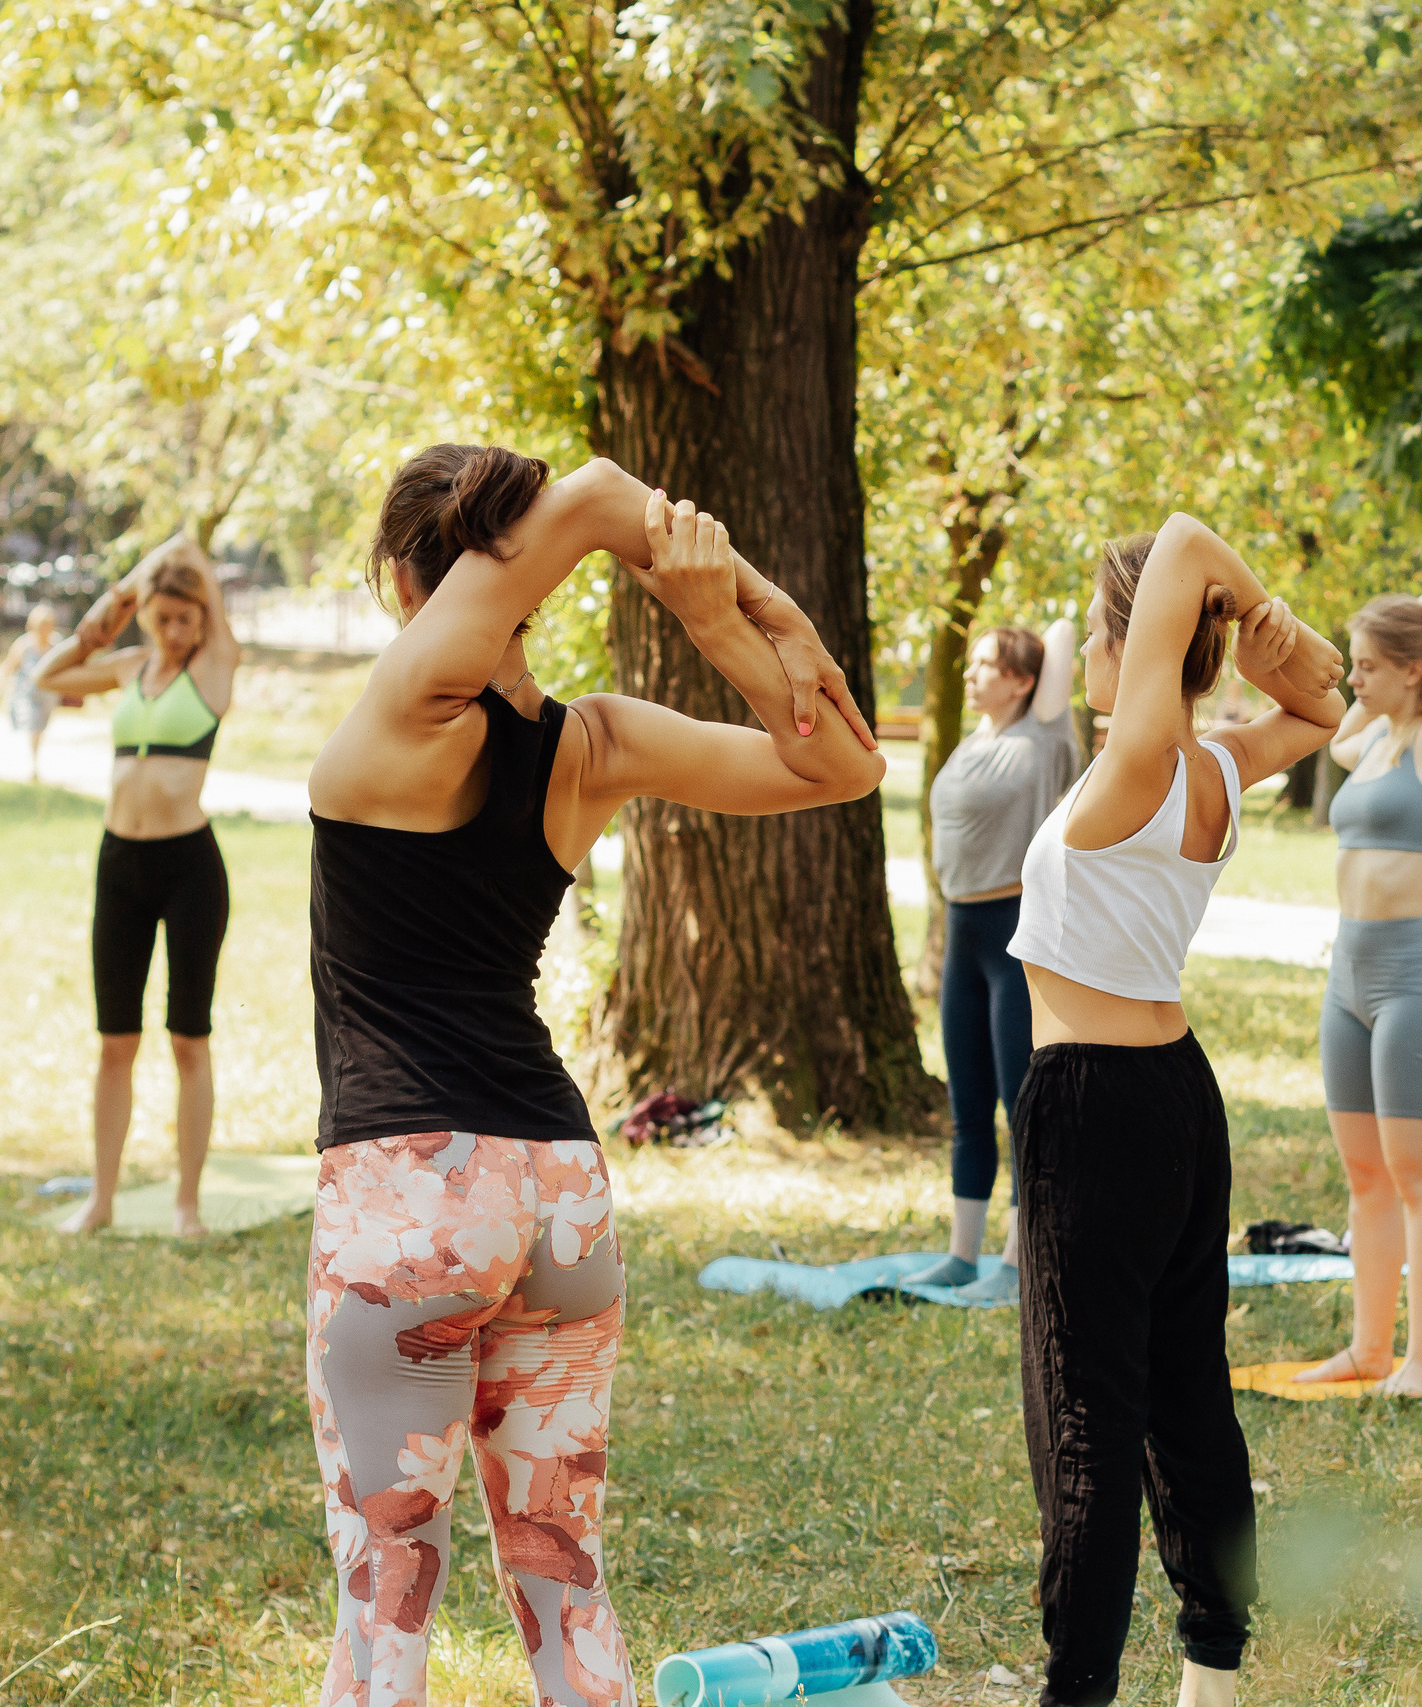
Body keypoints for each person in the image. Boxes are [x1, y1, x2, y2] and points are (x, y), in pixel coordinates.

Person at [303, 446, 881, 1707]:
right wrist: (734, 609)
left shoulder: (389, 730)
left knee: (387, 1577)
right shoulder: (593, 746)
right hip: (559, 1193)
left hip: (410, 1193)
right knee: (562, 1569)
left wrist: (678, 565)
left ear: (406, 584)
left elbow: (601, 493)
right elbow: (842, 764)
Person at [1007, 517, 1343, 1707]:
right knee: (1187, 1390)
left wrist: (1250, 608)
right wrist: (1274, 644)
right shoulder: (1207, 767)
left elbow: (1190, 539)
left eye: (1095, 631)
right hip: (1176, 1100)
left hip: (1092, 1106)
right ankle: (1212, 1676)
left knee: (1084, 1406)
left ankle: (1077, 1690)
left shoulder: (1144, 760)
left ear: (1123, 643)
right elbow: (1322, 715)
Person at [1294, 588, 1422, 1396]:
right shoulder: (1373, 739)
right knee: (1363, 1176)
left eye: (1370, 664)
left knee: (1416, 1175)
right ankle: (1369, 1347)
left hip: (1413, 974)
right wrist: (1367, 678)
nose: (1355, 676)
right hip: (1349, 974)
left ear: (1417, 668)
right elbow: (1337, 732)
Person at [37, 538, 242, 1237]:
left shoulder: (214, 669)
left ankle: (186, 1202)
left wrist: (184, 566)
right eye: (165, 618)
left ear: (203, 620)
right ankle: (102, 1198)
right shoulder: (128, 666)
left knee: (189, 1038)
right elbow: (47, 674)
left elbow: (193, 560)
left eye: (188, 618)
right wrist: (113, 602)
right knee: (114, 1041)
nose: (177, 631)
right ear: (149, 616)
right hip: (118, 864)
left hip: (190, 868)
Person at [913, 618, 1081, 1300]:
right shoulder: (968, 744)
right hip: (962, 930)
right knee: (968, 1102)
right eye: (973, 662)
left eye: (988, 664)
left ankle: (1017, 1263)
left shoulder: (1045, 742)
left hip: (1015, 930)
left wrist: (1043, 675)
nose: (971, 673)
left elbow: (1065, 633)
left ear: (1023, 680)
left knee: (1023, 1104)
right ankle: (961, 1254)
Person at [0, 605, 62, 782]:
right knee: (33, 727)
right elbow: (9, 667)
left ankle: (33, 761)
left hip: (49, 696)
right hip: (26, 695)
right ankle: (33, 766)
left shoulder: (57, 644)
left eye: (48, 625)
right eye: (41, 626)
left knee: (40, 729)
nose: (45, 630)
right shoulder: (23, 645)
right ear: (33, 626)